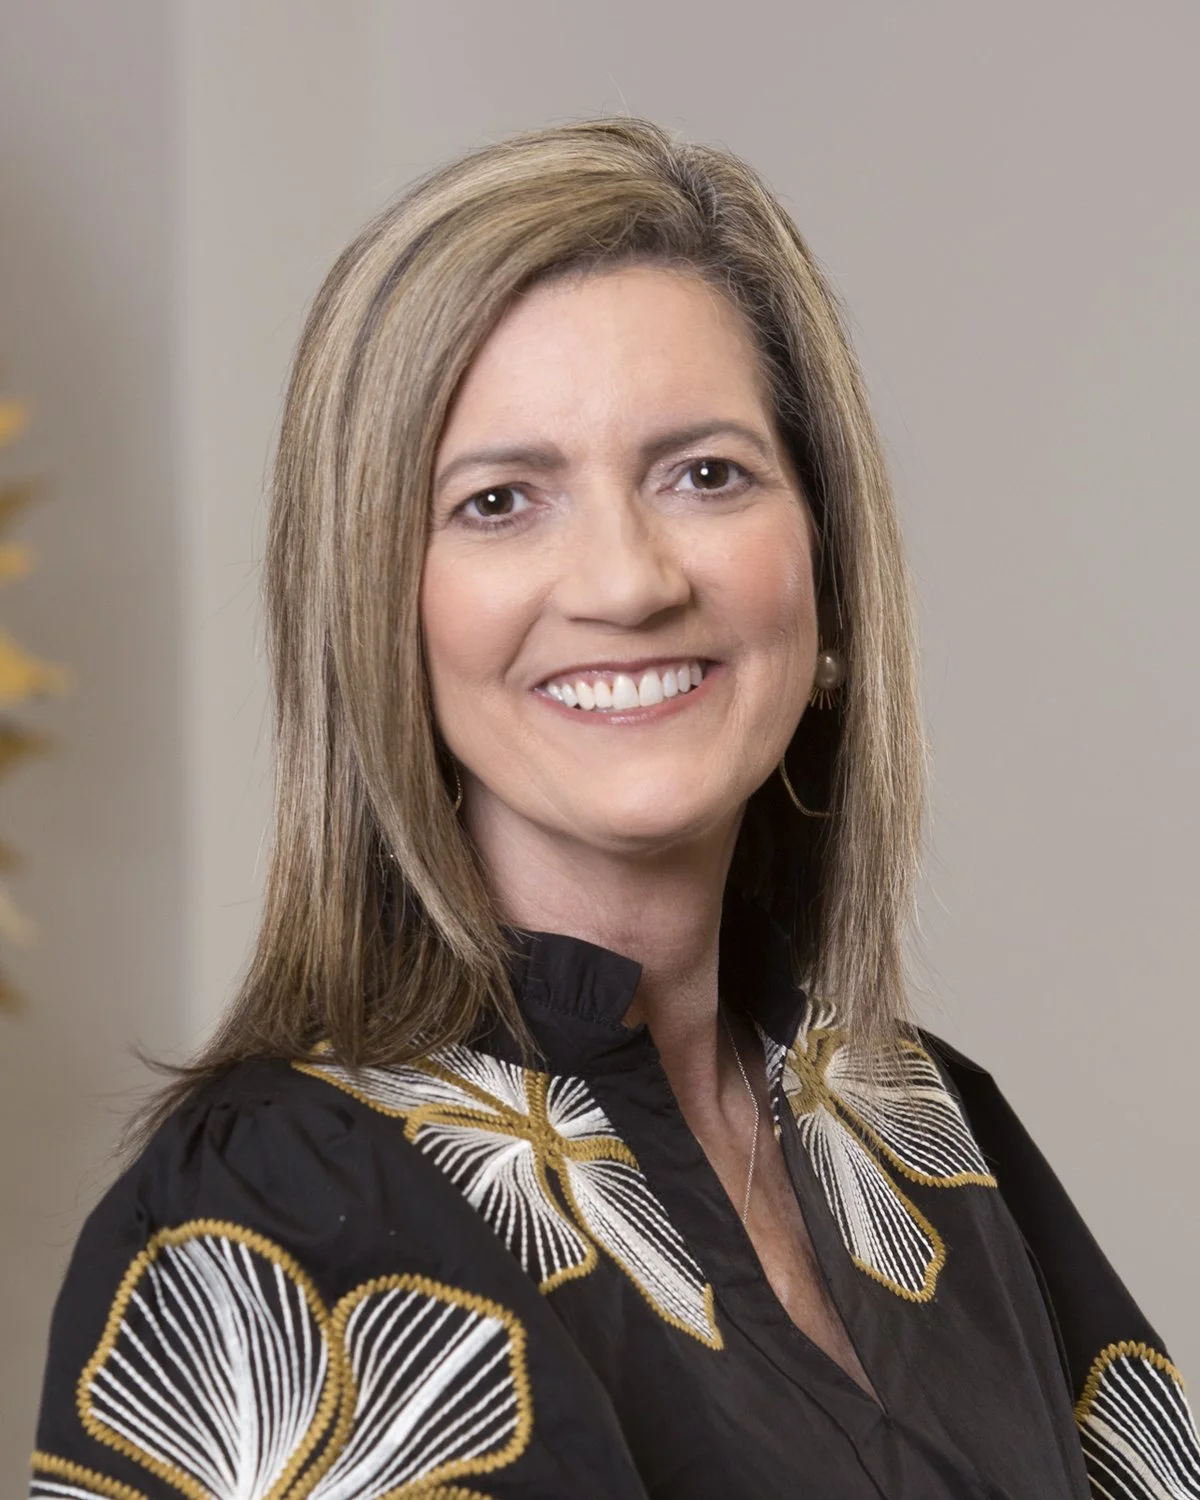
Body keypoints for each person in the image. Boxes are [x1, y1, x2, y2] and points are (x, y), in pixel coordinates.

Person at [29, 117, 1197, 1500]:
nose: (630, 580)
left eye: (705, 474)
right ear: (378, 616)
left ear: (823, 577)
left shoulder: (925, 1127)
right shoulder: (270, 1211)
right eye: (500, 501)